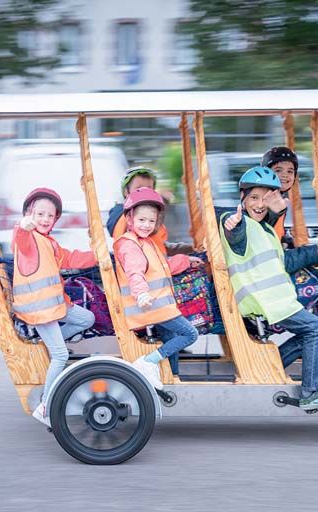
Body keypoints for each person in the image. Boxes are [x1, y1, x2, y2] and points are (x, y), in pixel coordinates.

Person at [220, 166, 318, 410]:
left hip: (274, 300)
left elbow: (284, 262)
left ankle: (265, 368)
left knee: (308, 335)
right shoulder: (240, 225)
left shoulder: (265, 229)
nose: (259, 204)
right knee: (315, 329)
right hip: (262, 300)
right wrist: (232, 225)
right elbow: (235, 235)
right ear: (242, 198)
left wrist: (317, 253)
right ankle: (311, 392)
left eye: (264, 198)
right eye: (253, 198)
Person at [12, 188, 97, 427]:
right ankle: (46, 406)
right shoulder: (28, 239)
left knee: (87, 319)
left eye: (50, 216)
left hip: (55, 306)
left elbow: (70, 258)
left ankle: (46, 342)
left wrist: (99, 255)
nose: (45, 219)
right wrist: (24, 225)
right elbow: (20, 235)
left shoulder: (49, 242)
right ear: (29, 213)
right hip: (40, 310)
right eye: (40, 214)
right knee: (60, 355)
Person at [113, 187, 203, 389]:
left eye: (151, 221)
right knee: (189, 334)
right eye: (141, 220)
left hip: (158, 306)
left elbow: (162, 267)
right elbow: (134, 272)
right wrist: (141, 294)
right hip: (151, 306)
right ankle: (148, 362)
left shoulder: (146, 242)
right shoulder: (130, 245)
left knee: (171, 337)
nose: (146, 225)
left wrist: (186, 260)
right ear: (129, 219)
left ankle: (173, 380)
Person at [106, 166, 194, 256]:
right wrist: (183, 261)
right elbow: (148, 257)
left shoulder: (144, 216)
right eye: (138, 189)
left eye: (148, 189)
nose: (144, 193)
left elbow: (159, 246)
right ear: (126, 192)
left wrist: (191, 248)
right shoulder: (132, 219)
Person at [261, 146, 299, 241]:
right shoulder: (262, 200)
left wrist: (284, 240)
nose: (285, 175)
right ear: (266, 173)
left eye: (290, 171)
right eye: (278, 170)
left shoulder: (280, 198)